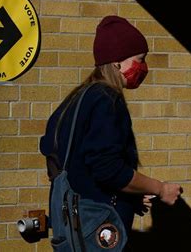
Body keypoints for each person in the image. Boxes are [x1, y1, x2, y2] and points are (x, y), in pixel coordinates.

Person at [40, 15, 182, 248]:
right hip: (97, 230)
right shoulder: (107, 100)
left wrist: (130, 194)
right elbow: (108, 169)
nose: (143, 67)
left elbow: (57, 156)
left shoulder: (76, 100)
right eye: (139, 59)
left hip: (72, 226)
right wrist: (160, 188)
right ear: (116, 62)